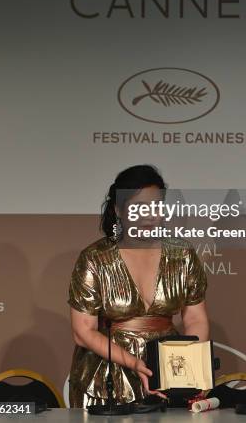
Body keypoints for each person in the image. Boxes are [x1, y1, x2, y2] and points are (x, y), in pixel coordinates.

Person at [68, 164, 209, 407]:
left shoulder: (182, 255)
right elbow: (83, 332)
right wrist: (135, 364)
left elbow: (196, 318)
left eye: (155, 206)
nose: (148, 215)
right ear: (118, 210)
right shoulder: (95, 258)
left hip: (168, 375)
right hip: (106, 382)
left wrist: (190, 368)